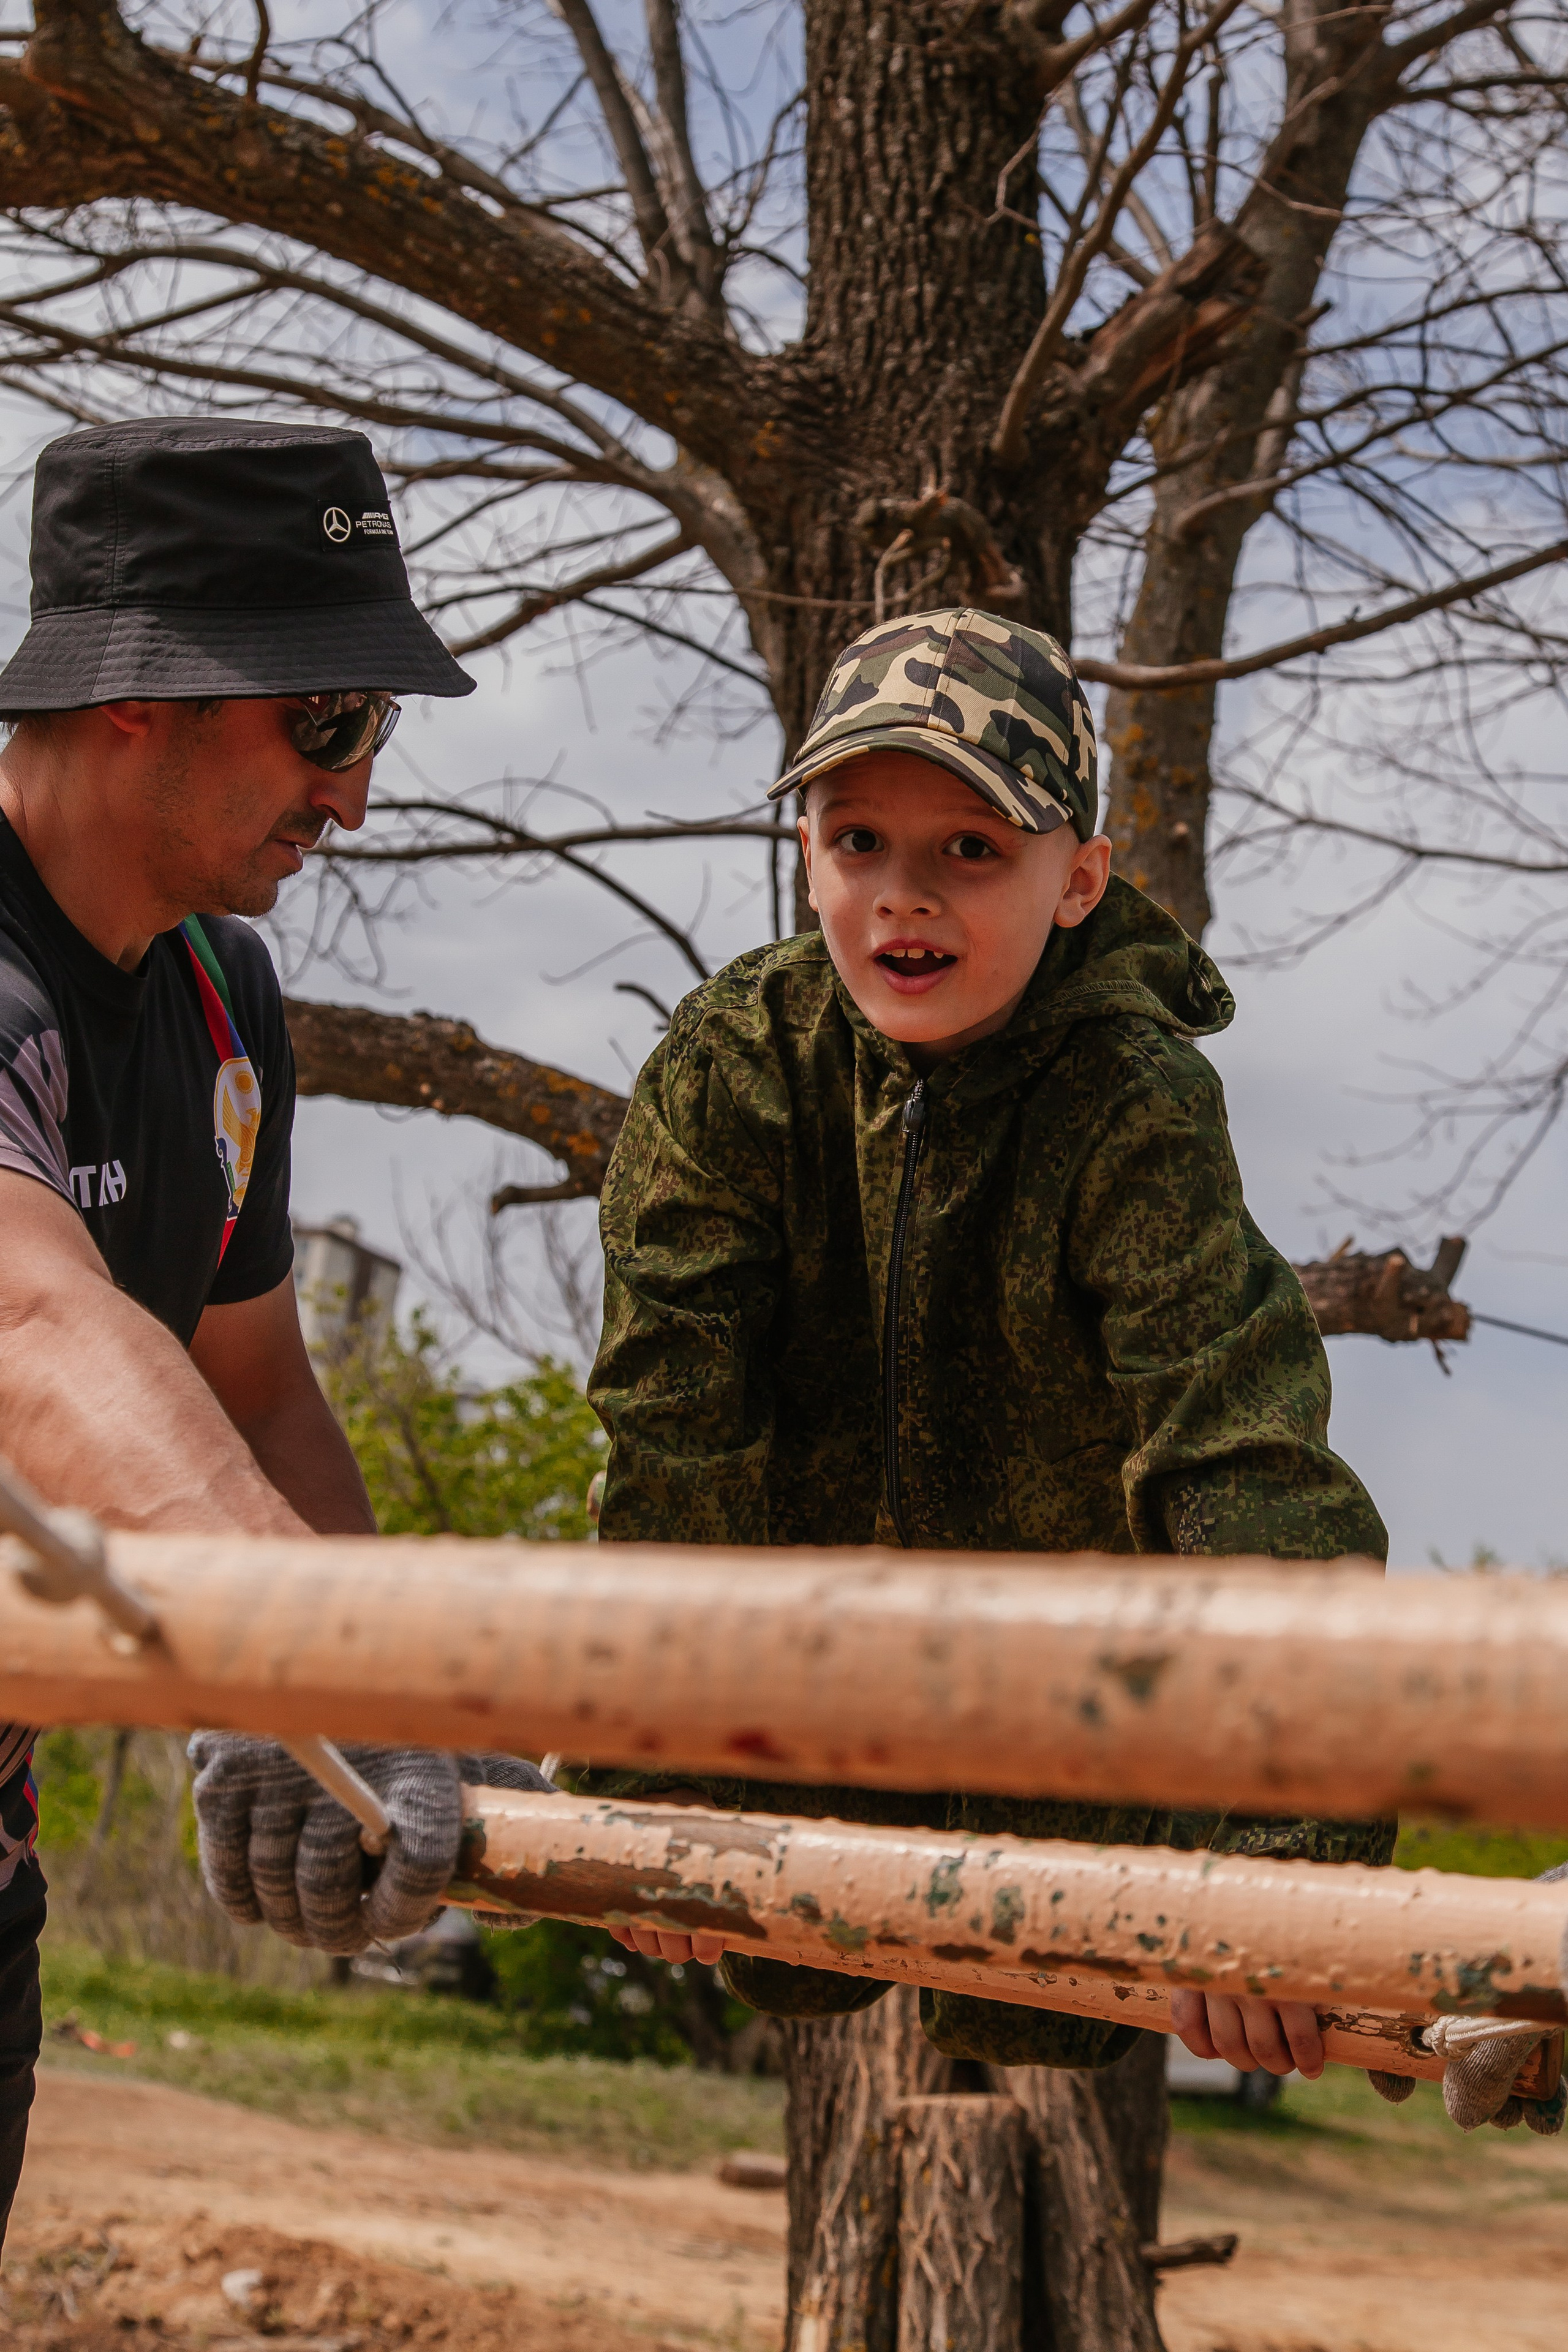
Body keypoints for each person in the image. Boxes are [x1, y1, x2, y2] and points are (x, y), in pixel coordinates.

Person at [586, 605, 1395, 2081]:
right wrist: (650, 1768)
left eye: (969, 848)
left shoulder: (1129, 1100)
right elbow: (674, 1431)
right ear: (807, 855)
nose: (902, 898)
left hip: (1075, 1782)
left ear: (1077, 878)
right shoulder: (735, 1066)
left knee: (1065, 2056)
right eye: (857, 842)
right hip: (794, 1754)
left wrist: (1289, 1864)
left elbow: (1237, 1463)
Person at [0, 415, 543, 2253]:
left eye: (374, 731)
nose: (357, 797)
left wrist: (395, 1708)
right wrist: (282, 1665)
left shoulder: (225, 1005)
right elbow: (31, 1323)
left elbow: (258, 1396)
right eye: (330, 720)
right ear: (132, 694)